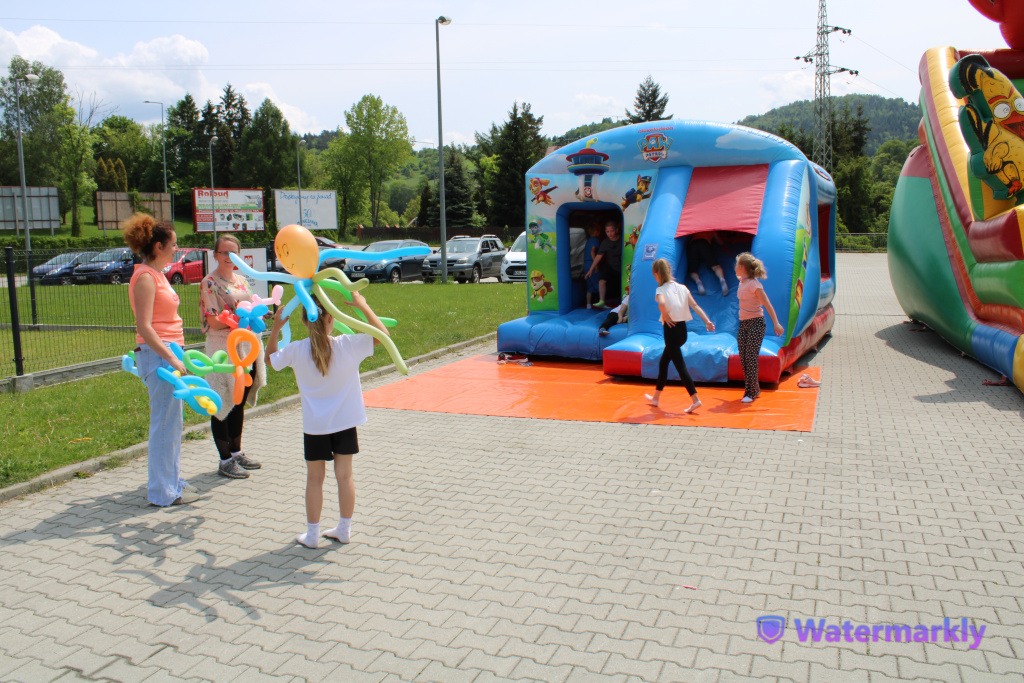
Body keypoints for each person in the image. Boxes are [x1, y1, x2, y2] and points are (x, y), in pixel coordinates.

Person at [265, 292, 389, 549]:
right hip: (345, 423)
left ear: (304, 321)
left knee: (314, 478)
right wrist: (363, 306)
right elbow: (383, 336)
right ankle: (344, 529)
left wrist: (276, 328)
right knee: (345, 476)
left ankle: (312, 535)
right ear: (331, 319)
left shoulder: (297, 350)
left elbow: (270, 360)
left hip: (315, 426)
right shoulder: (346, 345)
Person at [122, 213, 198, 507]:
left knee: (172, 424)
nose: (177, 249)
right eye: (174, 245)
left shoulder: (156, 274)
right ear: (158, 247)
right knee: (165, 426)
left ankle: (171, 482)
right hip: (159, 355)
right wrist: (171, 358)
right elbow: (144, 327)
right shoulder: (145, 277)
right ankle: (163, 492)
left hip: (168, 353)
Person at [199, 235, 267, 479]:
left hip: (245, 348)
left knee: (239, 399)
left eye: (233, 253)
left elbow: (251, 309)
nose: (229, 258)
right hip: (222, 349)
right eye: (224, 252)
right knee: (221, 401)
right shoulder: (209, 282)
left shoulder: (242, 281)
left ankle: (237, 452)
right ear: (215, 255)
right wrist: (238, 320)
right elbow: (213, 320)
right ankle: (225, 459)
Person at [645, 258, 715, 414]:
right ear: (669, 270)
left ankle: (695, 399)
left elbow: (661, 303)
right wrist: (707, 321)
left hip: (671, 331)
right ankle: (656, 397)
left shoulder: (661, 289)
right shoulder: (682, 288)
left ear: (656, 274)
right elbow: (695, 305)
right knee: (663, 363)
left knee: (680, 367)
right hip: (683, 331)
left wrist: (665, 314)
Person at [735, 252, 785, 403]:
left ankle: (750, 393)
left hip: (756, 324)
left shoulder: (755, 285)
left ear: (741, 267)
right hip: (743, 323)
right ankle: (755, 388)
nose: (735, 267)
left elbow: (767, 304)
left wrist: (776, 323)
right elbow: (742, 277)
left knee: (750, 357)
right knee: (744, 358)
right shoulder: (742, 281)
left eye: (737, 264)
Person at [584, 221, 623, 308]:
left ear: (616, 230)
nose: (610, 234)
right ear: (605, 232)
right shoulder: (605, 242)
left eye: (612, 231)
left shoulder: (622, 240)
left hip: (621, 265)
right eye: (607, 232)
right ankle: (601, 301)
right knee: (601, 281)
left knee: (621, 283)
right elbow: (598, 256)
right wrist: (591, 269)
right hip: (610, 265)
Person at [686, 231, 729, 296]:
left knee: (692, 271)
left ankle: (698, 281)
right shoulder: (711, 231)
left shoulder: (696, 230)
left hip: (693, 244)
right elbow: (720, 242)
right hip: (704, 243)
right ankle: (722, 279)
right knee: (715, 266)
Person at [583, 223, 602, 309]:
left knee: (589, 286)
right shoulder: (595, 240)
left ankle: (588, 305)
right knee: (599, 284)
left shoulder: (588, 240)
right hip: (591, 263)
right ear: (596, 231)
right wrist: (596, 264)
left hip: (586, 264)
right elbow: (592, 251)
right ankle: (601, 302)